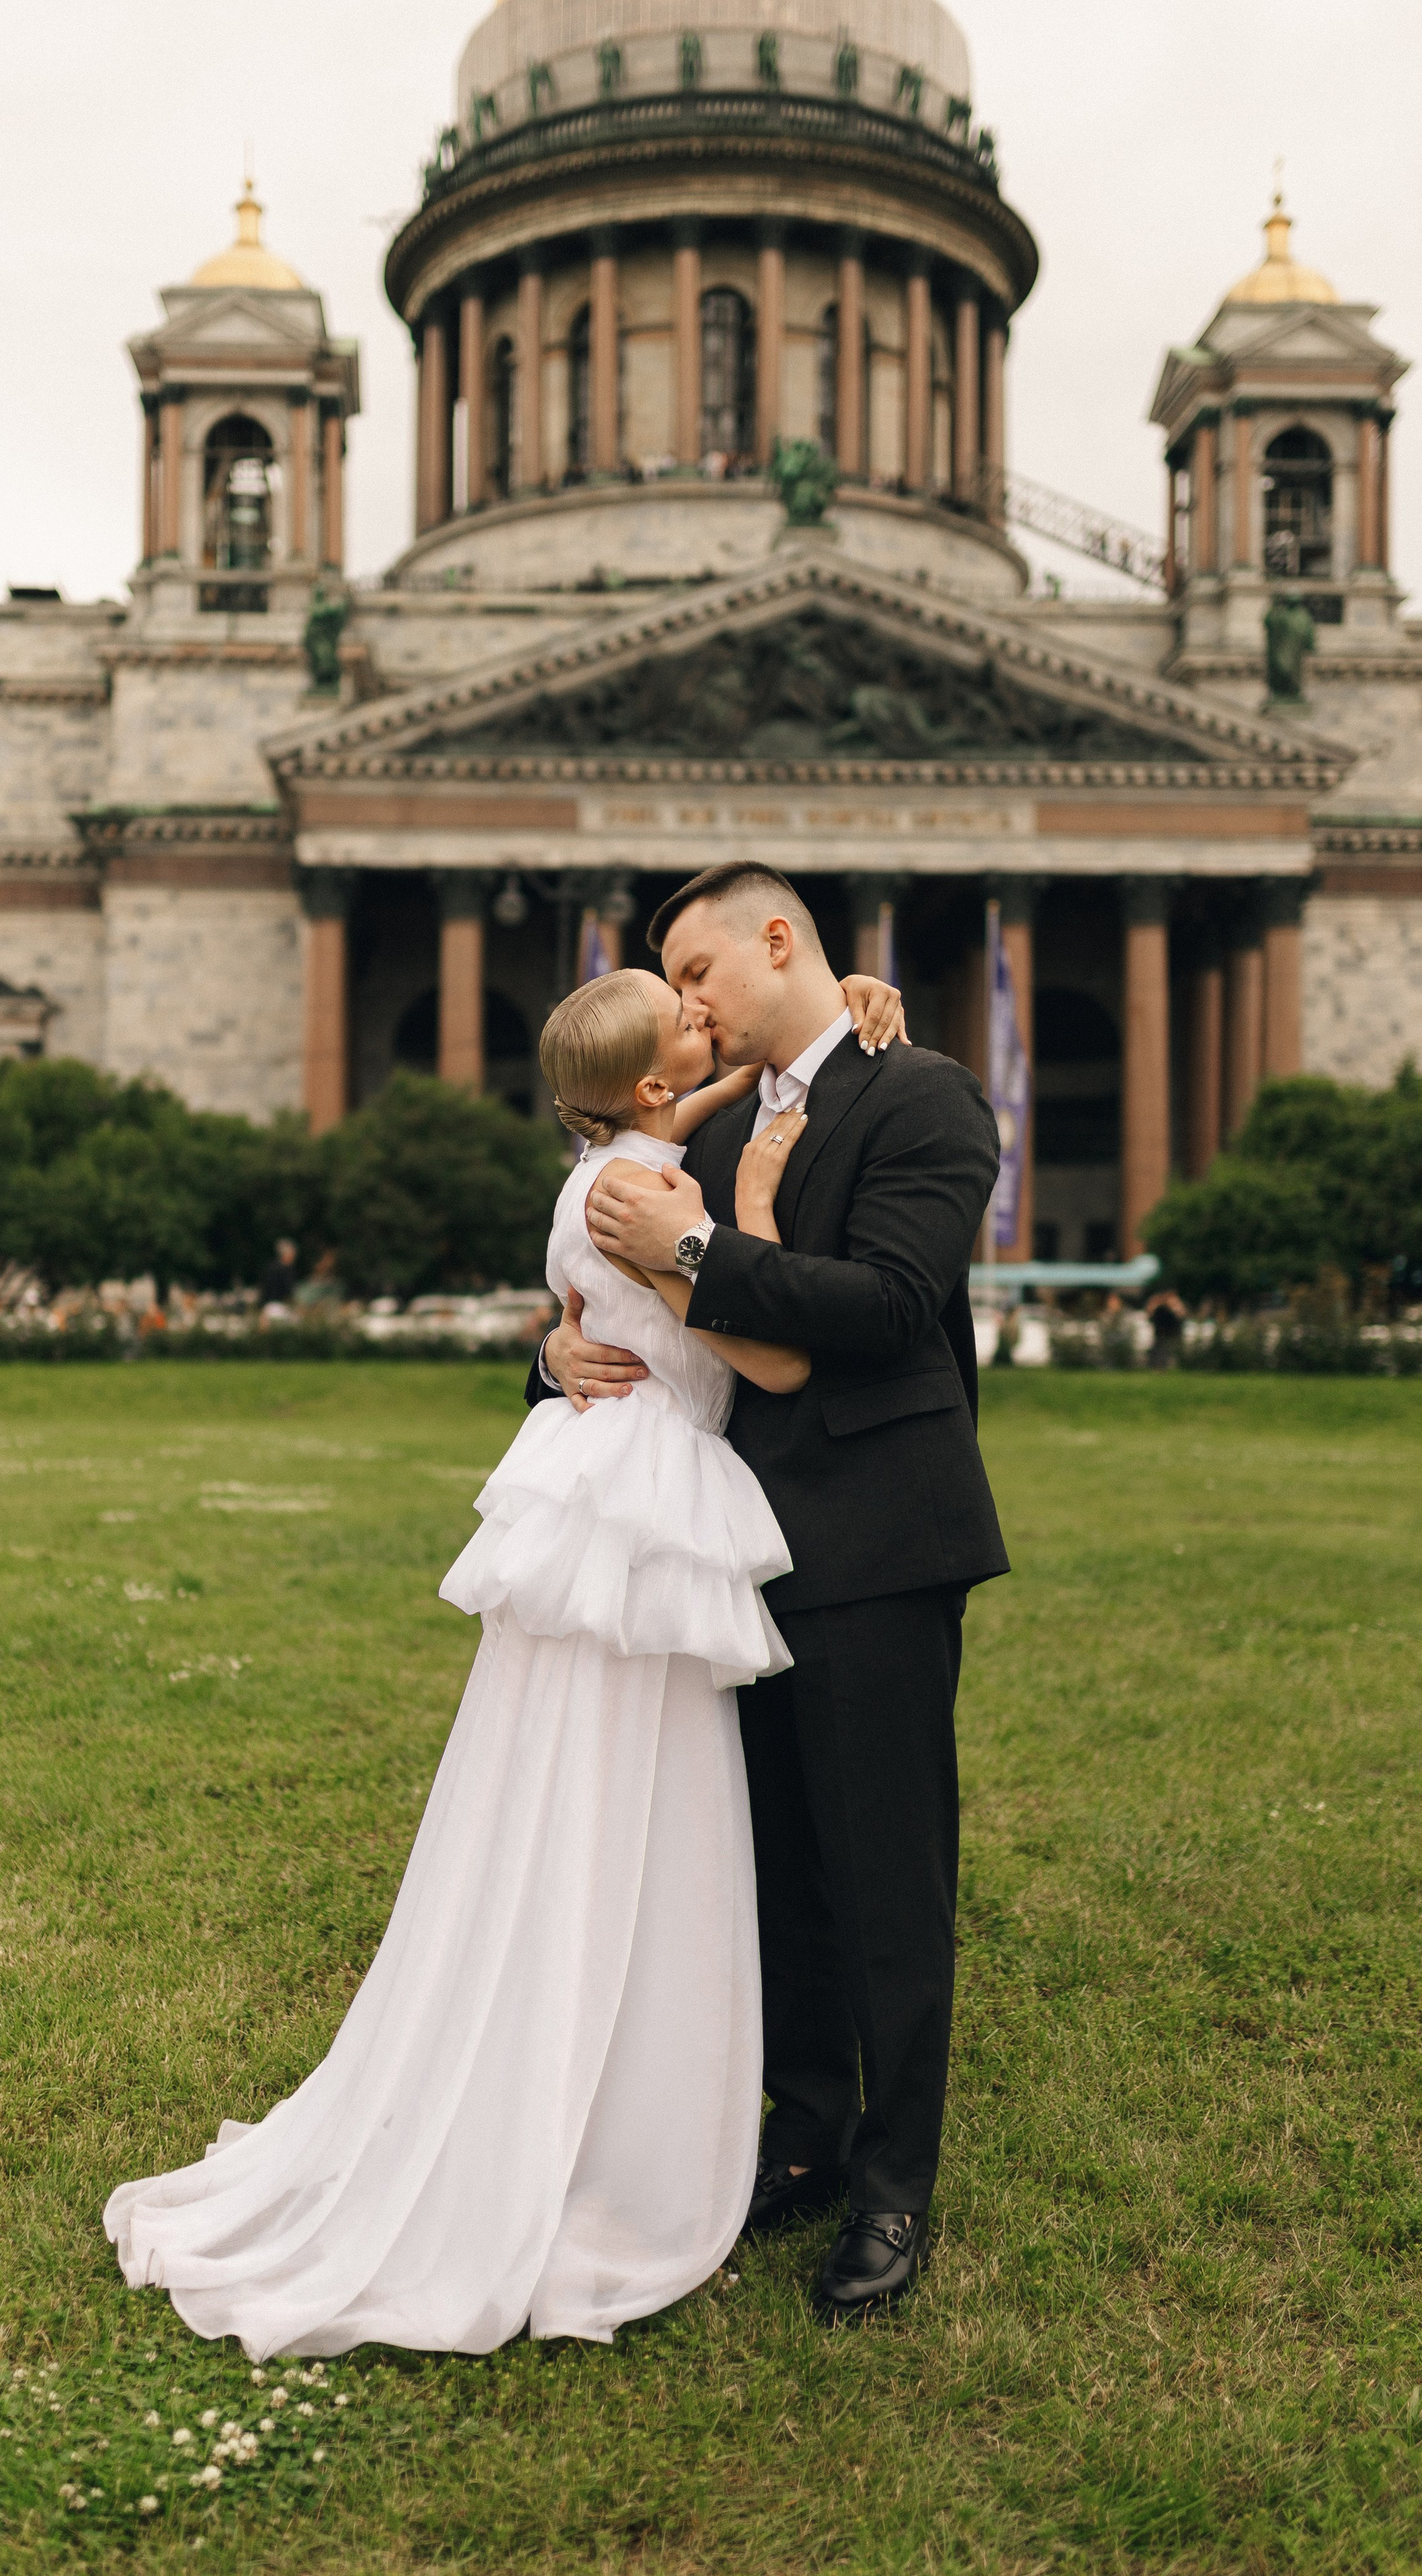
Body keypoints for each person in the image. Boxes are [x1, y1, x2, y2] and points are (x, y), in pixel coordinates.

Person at [103, 963, 885, 2359]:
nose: (712, 1027)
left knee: (559, 1786)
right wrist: (755, 1194)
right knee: (633, 1803)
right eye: (689, 1024)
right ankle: (603, 2118)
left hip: (592, 1491)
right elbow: (764, 1355)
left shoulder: (602, 1158)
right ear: (649, 1087)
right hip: (648, 1504)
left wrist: (826, 1026)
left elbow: (666, 1123)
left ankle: (573, 2062)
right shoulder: (661, 1198)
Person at [541, 860, 1008, 2326]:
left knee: (884, 1876)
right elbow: (612, 1283)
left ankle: (892, 2184)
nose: (680, 1005)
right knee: (776, 1873)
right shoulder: (717, 1117)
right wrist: (549, 1359)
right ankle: (799, 2133)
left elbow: (884, 1305)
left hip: (875, 1538)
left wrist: (694, 1249)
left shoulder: (925, 1096)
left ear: (777, 938)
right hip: (724, 1554)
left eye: (694, 972)